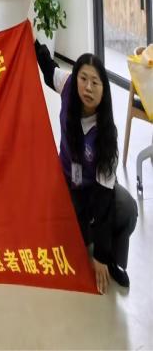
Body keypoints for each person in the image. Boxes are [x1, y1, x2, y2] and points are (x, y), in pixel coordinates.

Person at [35, 41, 138, 293]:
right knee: (68, 240)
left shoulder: (107, 134)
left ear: (104, 90)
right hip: (66, 181)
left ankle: (113, 260)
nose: (88, 87)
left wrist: (101, 256)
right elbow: (48, 68)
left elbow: (104, 198)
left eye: (95, 82)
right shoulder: (68, 86)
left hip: (95, 189)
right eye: (83, 78)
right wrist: (31, 41)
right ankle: (86, 232)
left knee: (125, 208)